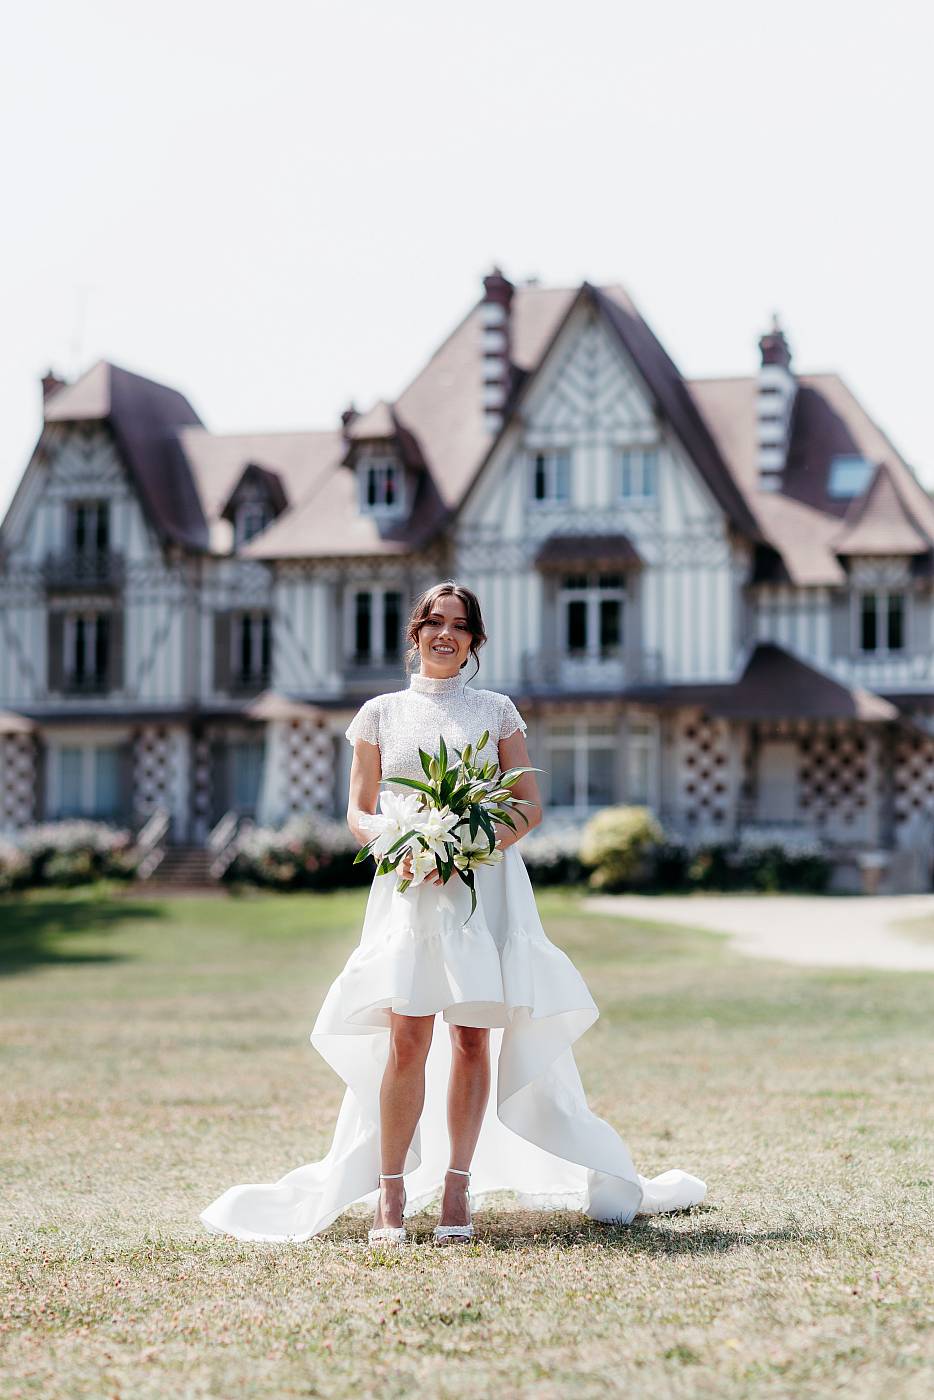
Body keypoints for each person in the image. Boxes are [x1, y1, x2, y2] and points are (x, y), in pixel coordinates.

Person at [199, 580, 706, 1245]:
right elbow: (358, 810)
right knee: (407, 1034)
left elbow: (526, 805)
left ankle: (458, 1190)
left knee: (471, 1035)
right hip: (407, 885)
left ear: (474, 640)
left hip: (482, 887)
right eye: (434, 622)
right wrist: (398, 846)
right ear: (414, 632)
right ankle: (390, 1196)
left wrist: (469, 845)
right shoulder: (378, 713)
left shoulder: (497, 711)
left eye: (459, 625)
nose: (445, 634)